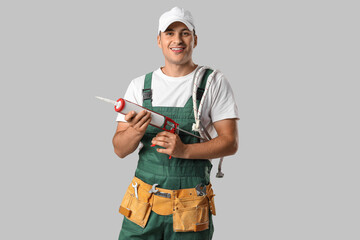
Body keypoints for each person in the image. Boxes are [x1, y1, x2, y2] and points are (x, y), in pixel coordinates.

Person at [113, 6, 239, 240]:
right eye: (169, 33)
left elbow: (230, 142)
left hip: (190, 209)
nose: (177, 39)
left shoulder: (213, 82)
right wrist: (134, 131)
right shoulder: (139, 85)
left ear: (195, 39)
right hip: (143, 207)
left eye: (185, 32)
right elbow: (119, 149)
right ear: (159, 40)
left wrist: (184, 150)